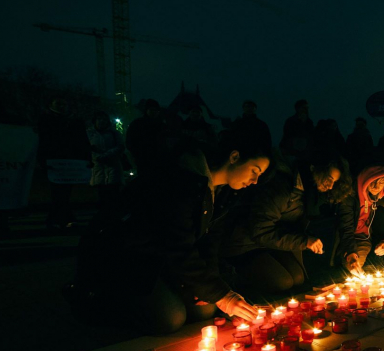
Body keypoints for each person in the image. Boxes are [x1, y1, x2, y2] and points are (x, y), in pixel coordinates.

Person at [71, 132, 270, 334]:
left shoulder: (223, 192)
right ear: (234, 157)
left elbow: (209, 242)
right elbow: (176, 245)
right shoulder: (179, 179)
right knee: (171, 319)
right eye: (255, 170)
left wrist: (210, 286)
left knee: (204, 309)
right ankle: (99, 305)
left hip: (165, 258)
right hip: (127, 258)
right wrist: (221, 295)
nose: (254, 181)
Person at [222, 152, 350, 294]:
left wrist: (307, 237)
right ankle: (237, 280)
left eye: (335, 182)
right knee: (284, 282)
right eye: (329, 179)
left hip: (271, 244)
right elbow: (261, 231)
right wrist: (304, 241)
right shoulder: (282, 188)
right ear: (314, 168)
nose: (331, 186)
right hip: (245, 245)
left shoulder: (308, 193)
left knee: (298, 278)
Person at [337, 164, 384, 275]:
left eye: (381, 182)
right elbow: (346, 227)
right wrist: (350, 254)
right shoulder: (351, 196)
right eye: (373, 181)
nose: (376, 186)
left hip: (380, 238)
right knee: (356, 268)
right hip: (358, 238)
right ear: (366, 179)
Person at [37, 96, 90, 229]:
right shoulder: (46, 120)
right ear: (51, 104)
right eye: (59, 104)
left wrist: (86, 158)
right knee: (58, 190)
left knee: (64, 190)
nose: (62, 106)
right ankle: (61, 218)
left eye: (64, 104)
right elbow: (42, 141)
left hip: (68, 160)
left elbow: (82, 140)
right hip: (56, 160)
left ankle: (58, 218)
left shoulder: (74, 121)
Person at [87, 111, 125, 208]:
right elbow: (86, 147)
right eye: (99, 119)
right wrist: (97, 156)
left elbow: (120, 147)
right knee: (101, 195)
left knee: (114, 195)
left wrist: (106, 155)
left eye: (104, 119)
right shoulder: (89, 133)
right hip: (98, 168)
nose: (102, 122)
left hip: (113, 168)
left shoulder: (114, 133)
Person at [126, 99, 168, 176]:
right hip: (144, 159)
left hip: (157, 159)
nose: (154, 112)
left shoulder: (162, 125)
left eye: (156, 110)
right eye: (151, 110)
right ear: (146, 110)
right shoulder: (137, 124)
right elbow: (130, 141)